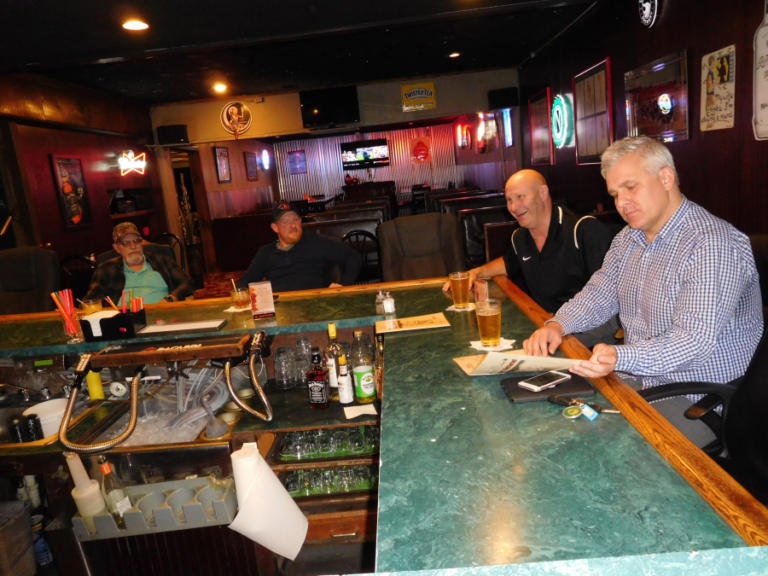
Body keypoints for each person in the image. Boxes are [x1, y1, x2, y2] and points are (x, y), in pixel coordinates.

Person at [523, 136, 764, 444]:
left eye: (631, 187)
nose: (621, 202)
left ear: (666, 177)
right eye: (615, 193)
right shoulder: (628, 238)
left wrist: (621, 357)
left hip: (700, 400)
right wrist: (558, 324)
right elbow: (601, 292)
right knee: (550, 421)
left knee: (599, 447)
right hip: (640, 382)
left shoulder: (711, 244)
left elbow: (693, 341)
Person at [444, 169, 618, 347]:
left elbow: (607, 295)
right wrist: (476, 272)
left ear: (543, 193)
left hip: (588, 327)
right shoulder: (519, 237)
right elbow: (510, 263)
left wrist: (560, 322)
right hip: (545, 322)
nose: (513, 207)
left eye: (521, 197)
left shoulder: (583, 230)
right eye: (509, 200)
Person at [237, 202, 362, 292]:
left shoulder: (315, 242)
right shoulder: (266, 252)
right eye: (285, 222)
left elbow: (353, 256)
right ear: (275, 228)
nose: (293, 225)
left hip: (315, 305)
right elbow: (245, 282)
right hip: (282, 310)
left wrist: (344, 285)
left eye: (295, 220)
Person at [85, 222, 194, 304]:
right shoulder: (106, 270)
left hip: (162, 316)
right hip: (126, 322)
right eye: (126, 243)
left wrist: (171, 298)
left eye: (136, 240)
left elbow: (187, 283)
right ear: (117, 248)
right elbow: (91, 301)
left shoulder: (162, 260)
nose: (133, 246)